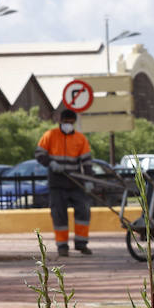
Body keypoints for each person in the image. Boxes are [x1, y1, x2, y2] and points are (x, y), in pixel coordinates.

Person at [35, 108, 94, 256]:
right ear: (60, 121)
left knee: (84, 210)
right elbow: (39, 154)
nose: (68, 125)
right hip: (57, 182)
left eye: (71, 123)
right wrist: (51, 163)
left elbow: (87, 162)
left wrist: (88, 181)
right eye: (65, 122)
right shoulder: (50, 136)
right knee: (59, 214)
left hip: (75, 182)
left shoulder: (80, 139)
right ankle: (62, 246)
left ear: (74, 123)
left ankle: (81, 243)